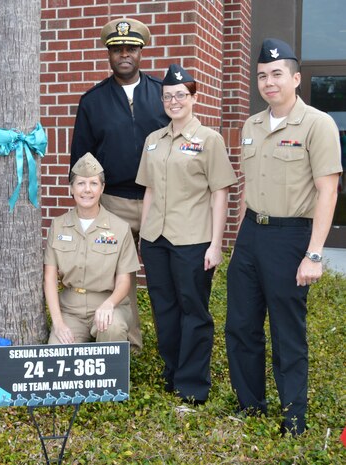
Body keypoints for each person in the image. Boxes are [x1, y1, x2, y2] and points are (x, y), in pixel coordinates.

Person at [226, 39, 342, 435]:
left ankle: (294, 416)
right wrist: (239, 237)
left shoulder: (318, 124)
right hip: (250, 235)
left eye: (277, 74)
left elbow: (328, 191)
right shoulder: (251, 125)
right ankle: (251, 404)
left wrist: (314, 254)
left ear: (295, 78)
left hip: (291, 237)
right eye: (261, 75)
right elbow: (248, 186)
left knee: (286, 331)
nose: (268, 81)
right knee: (241, 325)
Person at [136, 64, 237, 403]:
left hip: (192, 240)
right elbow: (148, 190)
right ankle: (172, 372)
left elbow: (220, 192)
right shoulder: (153, 141)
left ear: (195, 97)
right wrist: (143, 236)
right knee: (164, 309)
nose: (174, 101)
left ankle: (192, 385)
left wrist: (216, 244)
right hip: (156, 240)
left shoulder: (209, 139)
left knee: (193, 310)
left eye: (181, 94)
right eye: (168, 96)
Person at [70, 18, 170, 352]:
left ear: (140, 51)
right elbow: (81, 161)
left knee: (163, 277)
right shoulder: (92, 101)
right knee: (119, 279)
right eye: (117, 49)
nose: (124, 54)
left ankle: (170, 343)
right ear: (109, 54)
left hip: (159, 202)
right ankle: (128, 346)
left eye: (130, 48)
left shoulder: (161, 94)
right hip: (113, 202)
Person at [44, 153, 140, 344]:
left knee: (111, 328)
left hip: (109, 305)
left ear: (102, 188)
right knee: (58, 349)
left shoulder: (120, 228)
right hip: (71, 310)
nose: (87, 190)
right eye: (80, 183)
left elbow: (124, 281)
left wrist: (109, 304)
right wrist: (59, 323)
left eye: (94, 184)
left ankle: (112, 374)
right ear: (71, 188)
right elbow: (49, 277)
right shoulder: (58, 225)